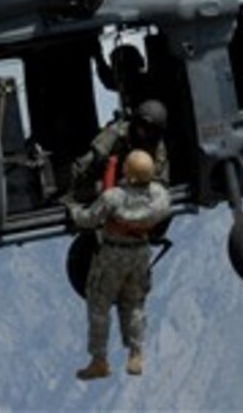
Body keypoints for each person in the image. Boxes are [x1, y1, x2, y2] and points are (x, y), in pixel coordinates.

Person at [67, 150, 171, 380]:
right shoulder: (160, 197)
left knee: (99, 306)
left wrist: (73, 209)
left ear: (129, 173)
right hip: (140, 254)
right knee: (134, 303)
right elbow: (163, 210)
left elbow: (88, 219)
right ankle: (136, 355)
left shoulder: (113, 198)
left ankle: (99, 361)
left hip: (113, 254)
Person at [68, 100, 170, 199]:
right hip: (105, 183)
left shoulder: (158, 147)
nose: (146, 133)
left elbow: (161, 182)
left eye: (152, 130)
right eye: (144, 127)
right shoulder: (116, 134)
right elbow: (84, 165)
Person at [92, 41, 153, 111]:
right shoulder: (149, 80)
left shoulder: (125, 84)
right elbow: (107, 78)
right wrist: (98, 56)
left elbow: (107, 79)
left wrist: (98, 56)